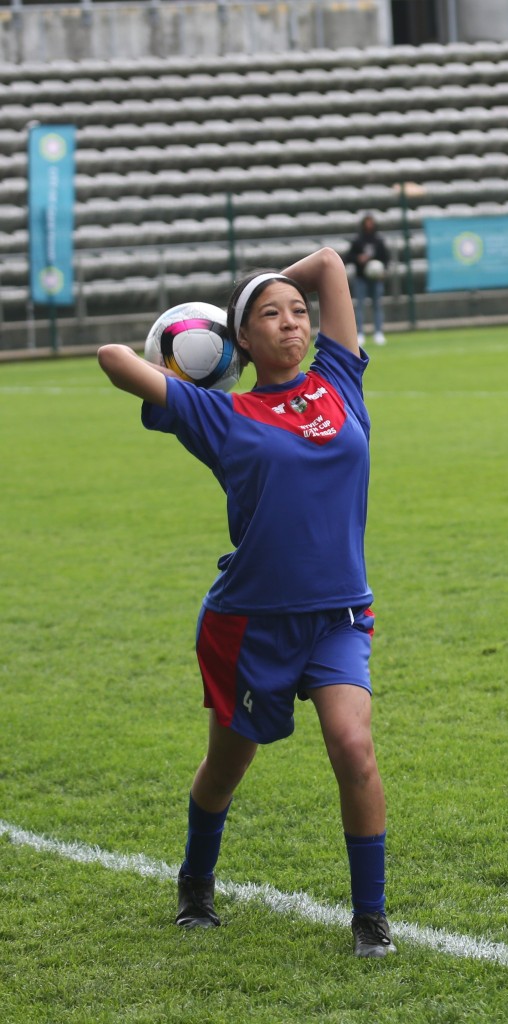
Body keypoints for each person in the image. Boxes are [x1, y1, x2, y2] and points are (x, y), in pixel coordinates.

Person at [97, 247, 395, 959]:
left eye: (298, 313)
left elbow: (326, 263)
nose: (293, 323)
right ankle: (195, 884)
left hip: (337, 616)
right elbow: (113, 357)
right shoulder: (220, 415)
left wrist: (270, 282)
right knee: (226, 771)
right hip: (248, 625)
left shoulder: (339, 381)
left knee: (353, 747)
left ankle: (370, 921)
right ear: (243, 341)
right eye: (271, 316)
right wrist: (195, 347)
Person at [346, 213, 390, 346]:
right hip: (361, 278)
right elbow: (348, 257)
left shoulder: (378, 241)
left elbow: (386, 258)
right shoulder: (358, 240)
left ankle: (378, 332)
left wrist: (382, 270)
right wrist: (358, 258)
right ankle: (359, 333)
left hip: (376, 279)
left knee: (377, 305)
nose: (369, 225)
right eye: (367, 222)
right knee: (360, 306)